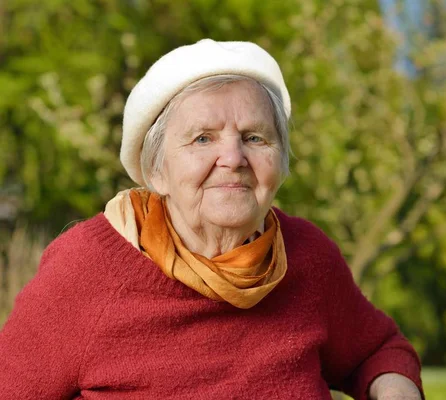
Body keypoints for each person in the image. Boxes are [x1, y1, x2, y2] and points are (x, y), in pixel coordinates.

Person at [0, 39, 423, 399]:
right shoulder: (89, 267)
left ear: (280, 162)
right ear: (157, 171)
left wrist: (393, 388)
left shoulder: (307, 255)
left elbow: (377, 350)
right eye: (203, 138)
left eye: (255, 137)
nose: (233, 159)